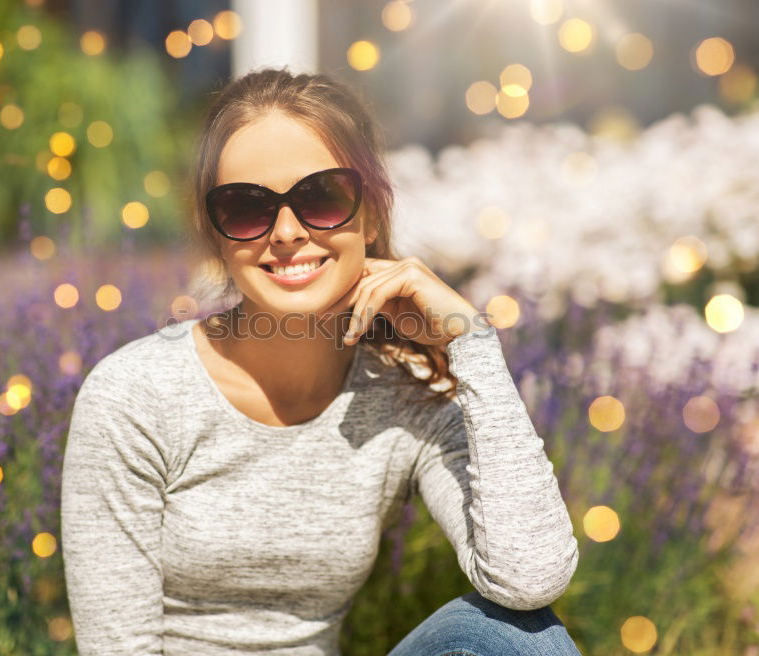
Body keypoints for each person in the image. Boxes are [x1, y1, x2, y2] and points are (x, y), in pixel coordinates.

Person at [60, 67, 582, 656]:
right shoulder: (135, 397)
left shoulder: (402, 394)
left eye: (321, 197)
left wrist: (471, 341)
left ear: (372, 212)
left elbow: (529, 578)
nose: (286, 232)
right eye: (246, 208)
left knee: (519, 639)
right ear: (217, 235)